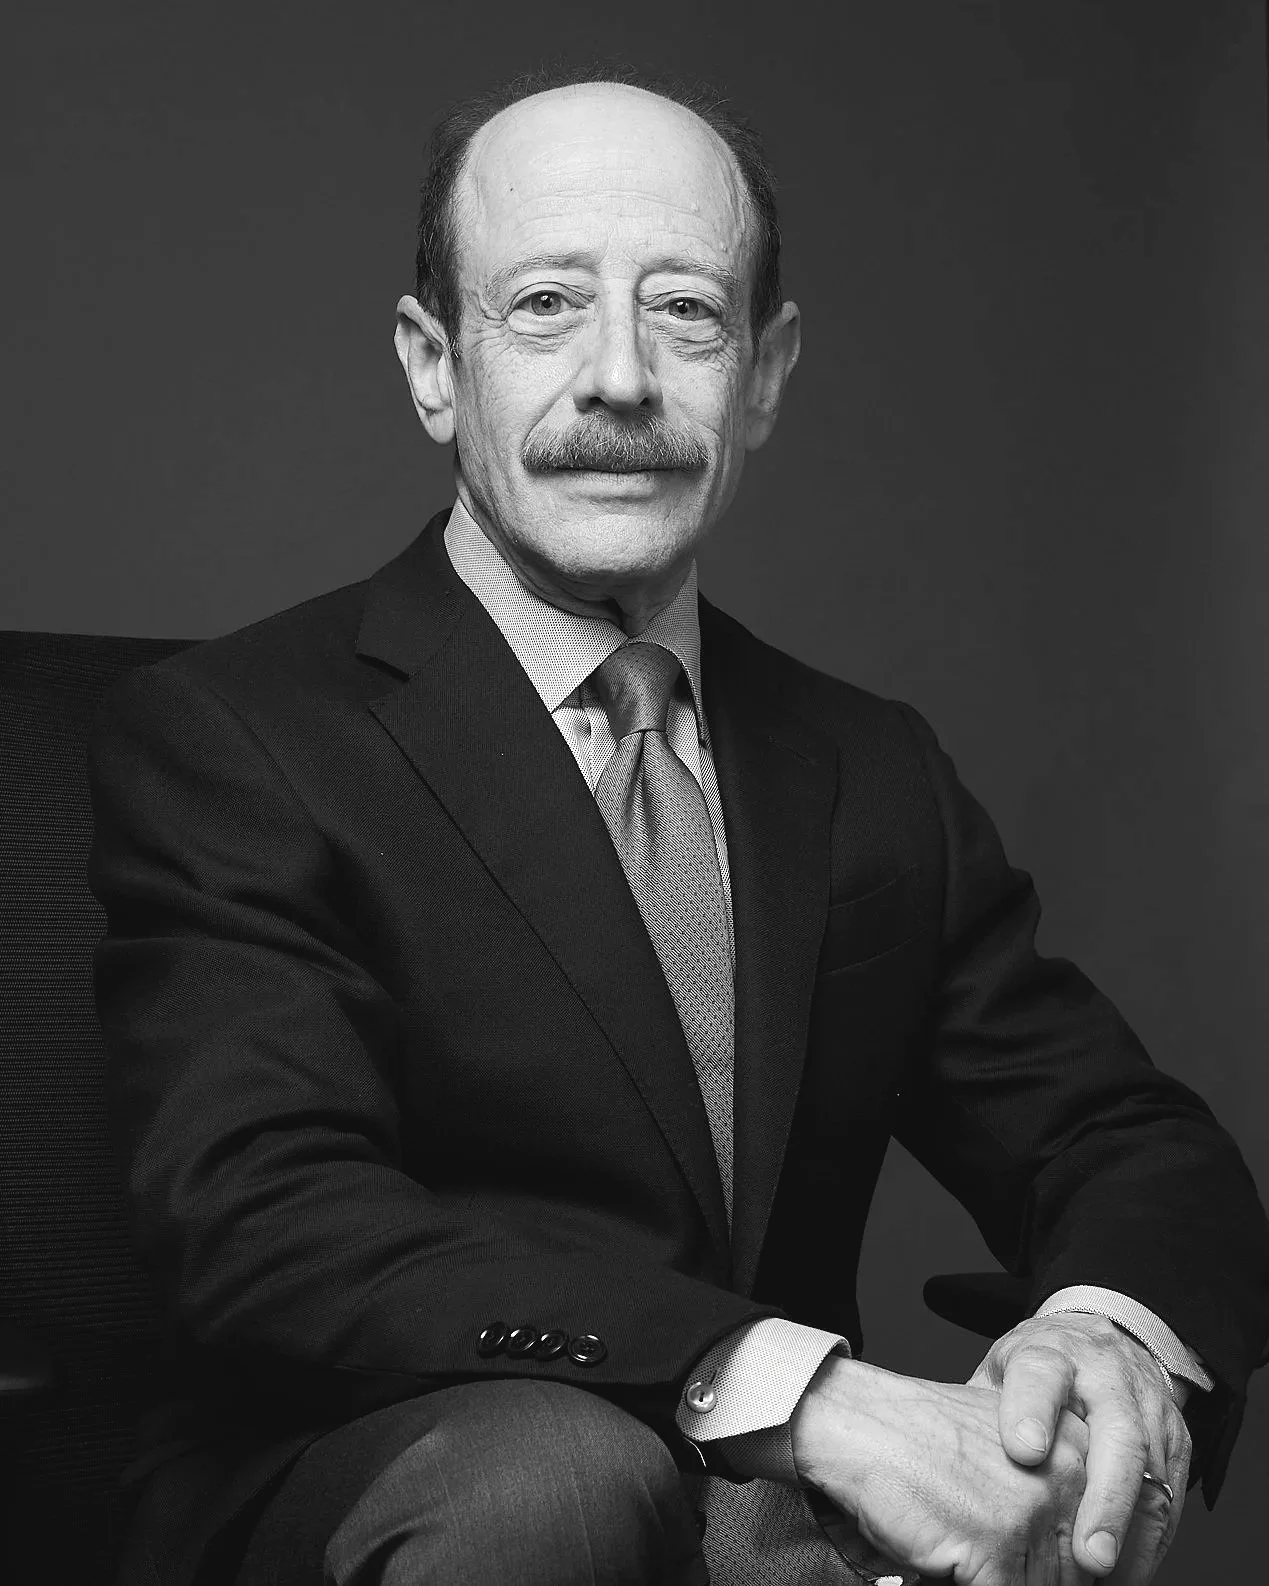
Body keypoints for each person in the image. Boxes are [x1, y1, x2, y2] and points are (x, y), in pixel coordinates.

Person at [88, 64, 1269, 1586]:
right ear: (433, 365)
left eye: (687, 313)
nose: (623, 380)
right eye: (545, 307)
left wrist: (1104, 1343)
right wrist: (802, 1392)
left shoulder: (866, 768)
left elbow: (1128, 1140)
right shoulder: (236, 738)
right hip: (408, 1489)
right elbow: (264, 1217)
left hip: (790, 1534)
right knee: (558, 1483)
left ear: (765, 375)